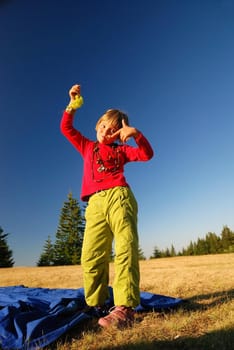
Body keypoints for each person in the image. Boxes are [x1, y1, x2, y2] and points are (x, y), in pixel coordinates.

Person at [60, 84, 154, 328]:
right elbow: (66, 128)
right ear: (97, 125)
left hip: (119, 197)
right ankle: (97, 303)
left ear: (118, 134)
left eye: (113, 130)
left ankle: (124, 308)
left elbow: (146, 155)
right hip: (94, 204)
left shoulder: (121, 150)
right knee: (91, 255)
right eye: (103, 126)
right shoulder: (87, 146)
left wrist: (136, 134)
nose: (106, 132)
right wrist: (73, 104)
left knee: (125, 249)